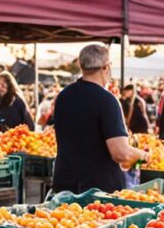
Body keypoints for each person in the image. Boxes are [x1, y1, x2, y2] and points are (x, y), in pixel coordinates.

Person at [51, 44, 148, 194]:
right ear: (105, 67)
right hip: (97, 190)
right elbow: (120, 153)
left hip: (64, 183)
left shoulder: (63, 96)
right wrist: (142, 155)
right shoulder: (107, 101)